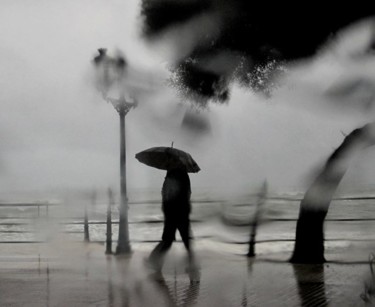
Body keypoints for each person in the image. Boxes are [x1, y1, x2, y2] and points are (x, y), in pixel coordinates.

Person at [147, 167, 196, 273]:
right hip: (180, 211)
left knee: (168, 239)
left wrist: (166, 207)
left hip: (173, 212)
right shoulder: (182, 175)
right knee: (184, 240)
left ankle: (154, 262)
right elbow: (187, 193)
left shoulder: (174, 176)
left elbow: (168, 195)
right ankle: (192, 265)